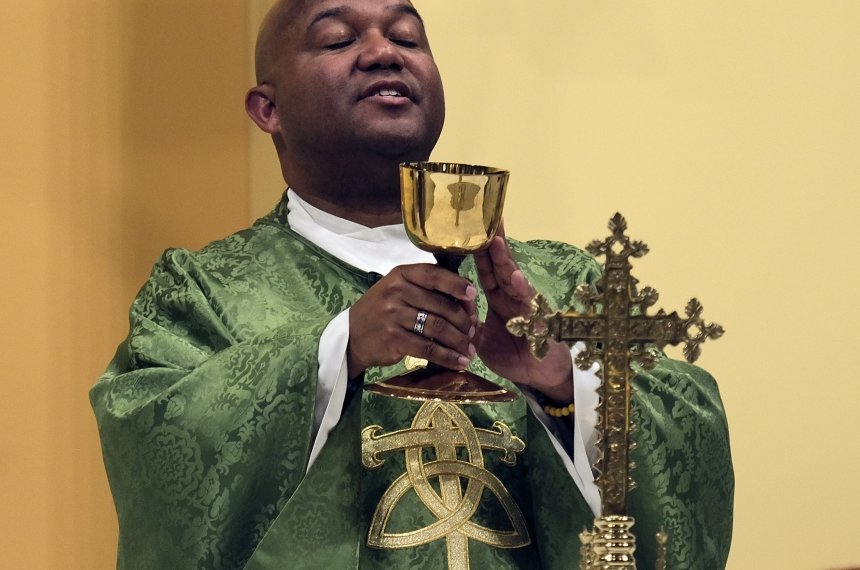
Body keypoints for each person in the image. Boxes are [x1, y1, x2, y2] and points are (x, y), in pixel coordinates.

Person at [91, 1, 733, 568]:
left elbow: (689, 471)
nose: (382, 52)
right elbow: (158, 472)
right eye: (339, 40)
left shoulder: (557, 284)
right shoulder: (201, 292)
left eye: (407, 36)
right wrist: (336, 348)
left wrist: (566, 384)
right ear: (268, 109)